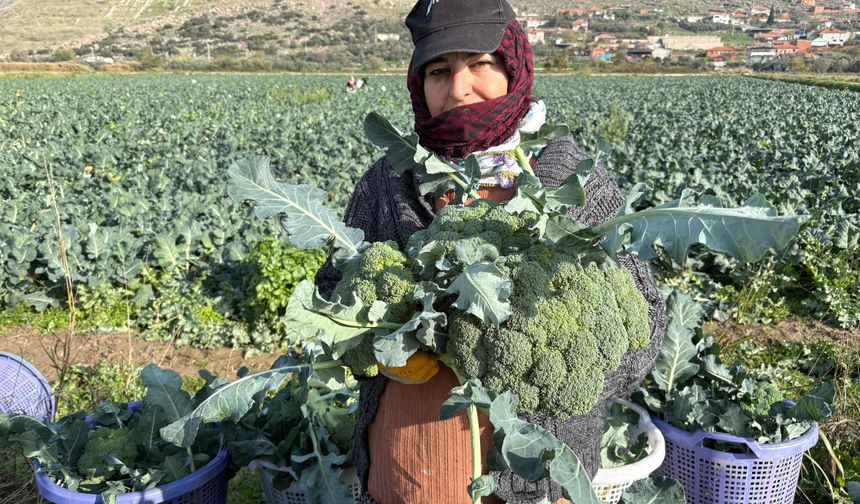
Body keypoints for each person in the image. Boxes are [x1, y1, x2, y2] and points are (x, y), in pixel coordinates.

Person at [315, 0, 666, 502]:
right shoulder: (389, 181)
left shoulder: (574, 178)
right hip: (415, 461)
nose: (458, 88)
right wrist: (378, 346)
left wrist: (563, 367)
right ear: (419, 83)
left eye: (479, 64)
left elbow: (646, 320)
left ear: (514, 65)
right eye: (439, 70)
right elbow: (332, 296)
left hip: (544, 472)